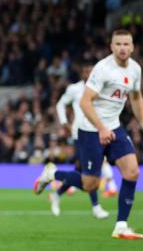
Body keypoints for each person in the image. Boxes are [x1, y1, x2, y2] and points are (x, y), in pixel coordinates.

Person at [34, 30, 143, 240]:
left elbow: (136, 97)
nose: (122, 48)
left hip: (114, 127)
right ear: (111, 46)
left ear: (133, 47)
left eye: (126, 44)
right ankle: (52, 175)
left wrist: (142, 122)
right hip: (90, 129)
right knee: (90, 184)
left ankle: (121, 226)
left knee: (132, 172)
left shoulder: (135, 69)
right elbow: (84, 102)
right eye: (118, 44)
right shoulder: (103, 69)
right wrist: (101, 128)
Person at [47, 64, 109, 219]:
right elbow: (60, 104)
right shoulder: (74, 89)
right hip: (79, 133)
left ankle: (56, 191)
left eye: (90, 70)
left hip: (96, 133)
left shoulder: (100, 89)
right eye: (85, 70)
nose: (88, 73)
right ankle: (96, 206)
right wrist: (63, 123)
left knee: (81, 170)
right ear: (82, 73)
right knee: (89, 171)